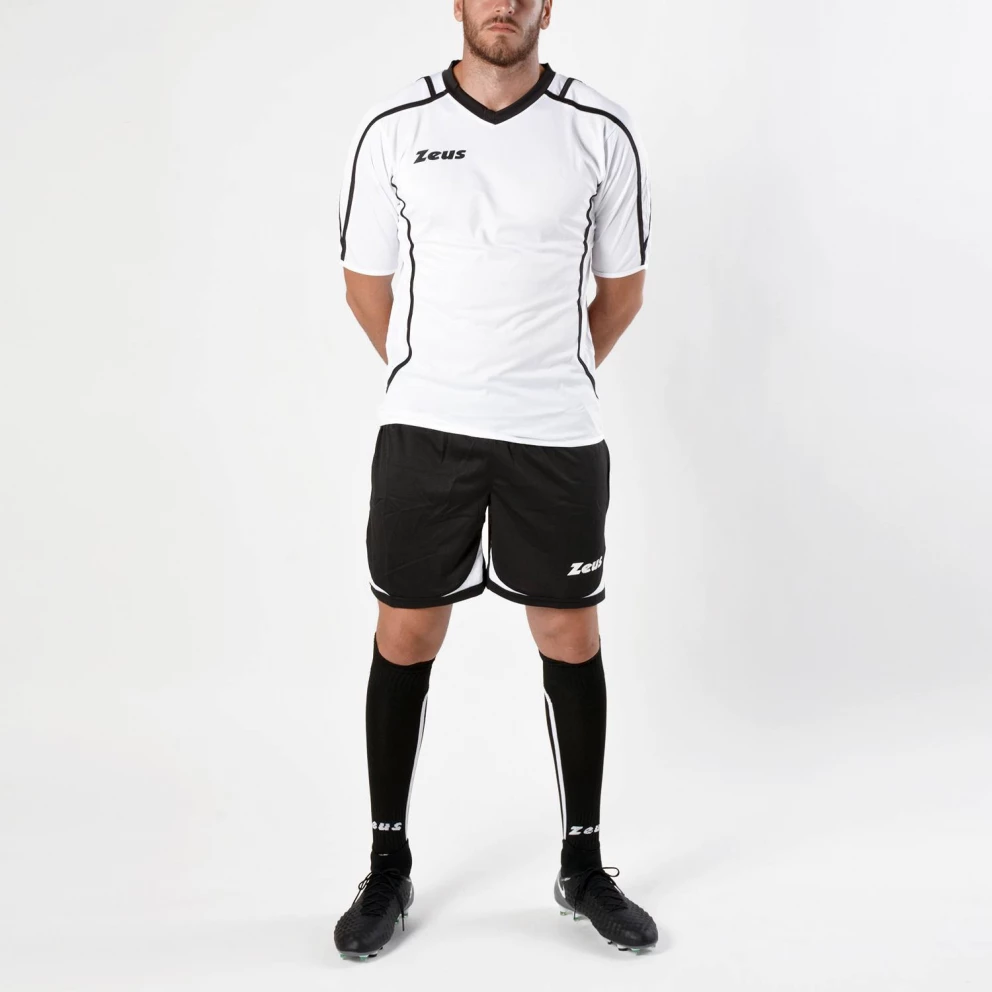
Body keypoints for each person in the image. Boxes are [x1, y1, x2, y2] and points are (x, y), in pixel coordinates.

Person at [333, 0, 657, 960]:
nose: (503, 5)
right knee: (406, 631)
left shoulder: (599, 130)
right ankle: (386, 865)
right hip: (425, 431)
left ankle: (583, 865)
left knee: (569, 633)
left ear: (546, 6)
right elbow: (364, 283)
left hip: (554, 434)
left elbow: (622, 290)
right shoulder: (397, 129)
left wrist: (550, 376)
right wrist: (433, 377)